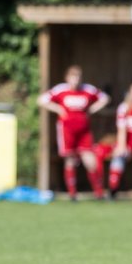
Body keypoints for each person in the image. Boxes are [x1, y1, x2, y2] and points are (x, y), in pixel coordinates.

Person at [38, 65, 110, 201]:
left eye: (78, 77)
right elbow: (42, 100)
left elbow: (105, 98)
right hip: (67, 130)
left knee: (90, 160)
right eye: (73, 77)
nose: (75, 80)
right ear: (67, 78)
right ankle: (72, 193)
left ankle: (99, 193)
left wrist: (91, 109)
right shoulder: (61, 90)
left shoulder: (87, 90)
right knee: (70, 159)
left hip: (84, 131)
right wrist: (59, 109)